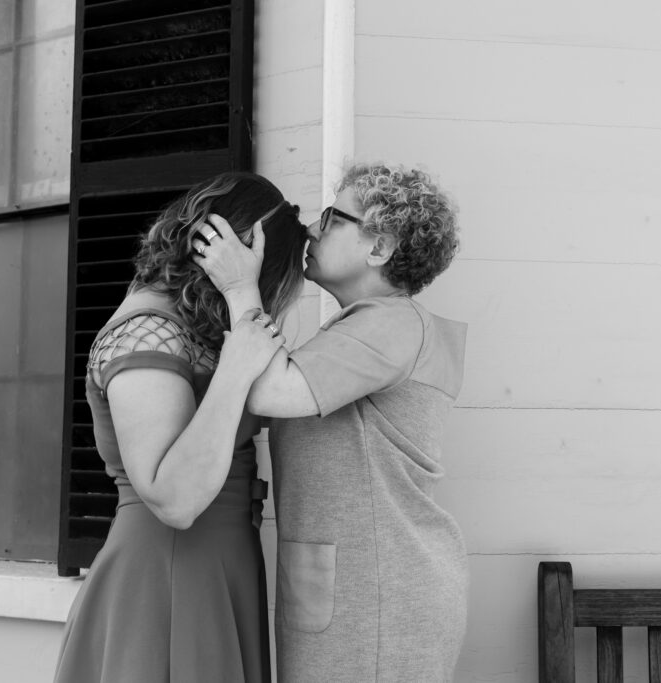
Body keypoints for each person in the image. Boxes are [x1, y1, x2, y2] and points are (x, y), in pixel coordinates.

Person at [196, 163, 468, 682]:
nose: (313, 229)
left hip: (381, 594)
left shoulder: (392, 323)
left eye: (332, 217)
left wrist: (238, 287)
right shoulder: (361, 328)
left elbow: (268, 389)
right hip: (356, 585)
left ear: (379, 248)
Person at [54, 172, 307, 683]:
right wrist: (237, 364)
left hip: (218, 569)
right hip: (167, 577)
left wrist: (241, 303)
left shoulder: (194, 330)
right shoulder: (148, 333)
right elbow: (173, 498)